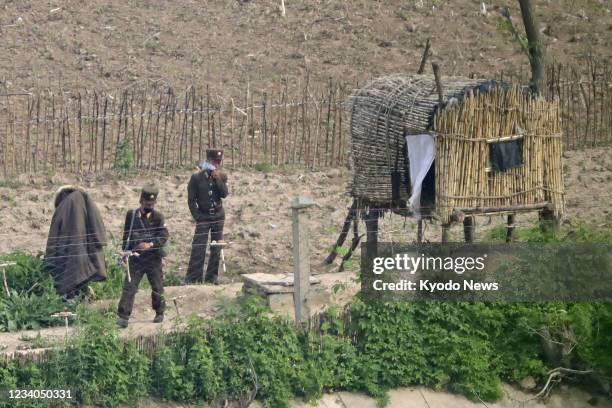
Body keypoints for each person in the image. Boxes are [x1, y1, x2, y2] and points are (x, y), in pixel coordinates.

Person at [117, 184, 169, 328]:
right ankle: (123, 316)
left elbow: (164, 236)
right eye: (147, 203)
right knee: (129, 287)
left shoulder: (158, 217)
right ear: (141, 201)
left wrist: (150, 244)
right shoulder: (131, 216)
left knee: (157, 287)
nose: (149, 206)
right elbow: (126, 235)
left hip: (153, 258)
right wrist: (125, 252)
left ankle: (159, 312)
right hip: (136, 258)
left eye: (151, 204)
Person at [44, 185, 107, 299]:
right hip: (84, 248)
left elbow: (54, 236)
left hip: (69, 249)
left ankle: (71, 296)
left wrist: (50, 258)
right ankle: (80, 294)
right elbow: (97, 229)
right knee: (81, 271)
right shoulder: (85, 199)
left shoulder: (65, 206)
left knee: (69, 273)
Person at [185, 149, 228, 284]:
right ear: (208, 161)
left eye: (218, 162)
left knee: (216, 247)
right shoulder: (196, 178)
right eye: (214, 162)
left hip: (218, 215)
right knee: (199, 246)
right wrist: (197, 216)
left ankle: (211, 277)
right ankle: (193, 278)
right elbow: (191, 200)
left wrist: (217, 179)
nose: (216, 165)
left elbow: (224, 194)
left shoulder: (221, 176)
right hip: (203, 216)